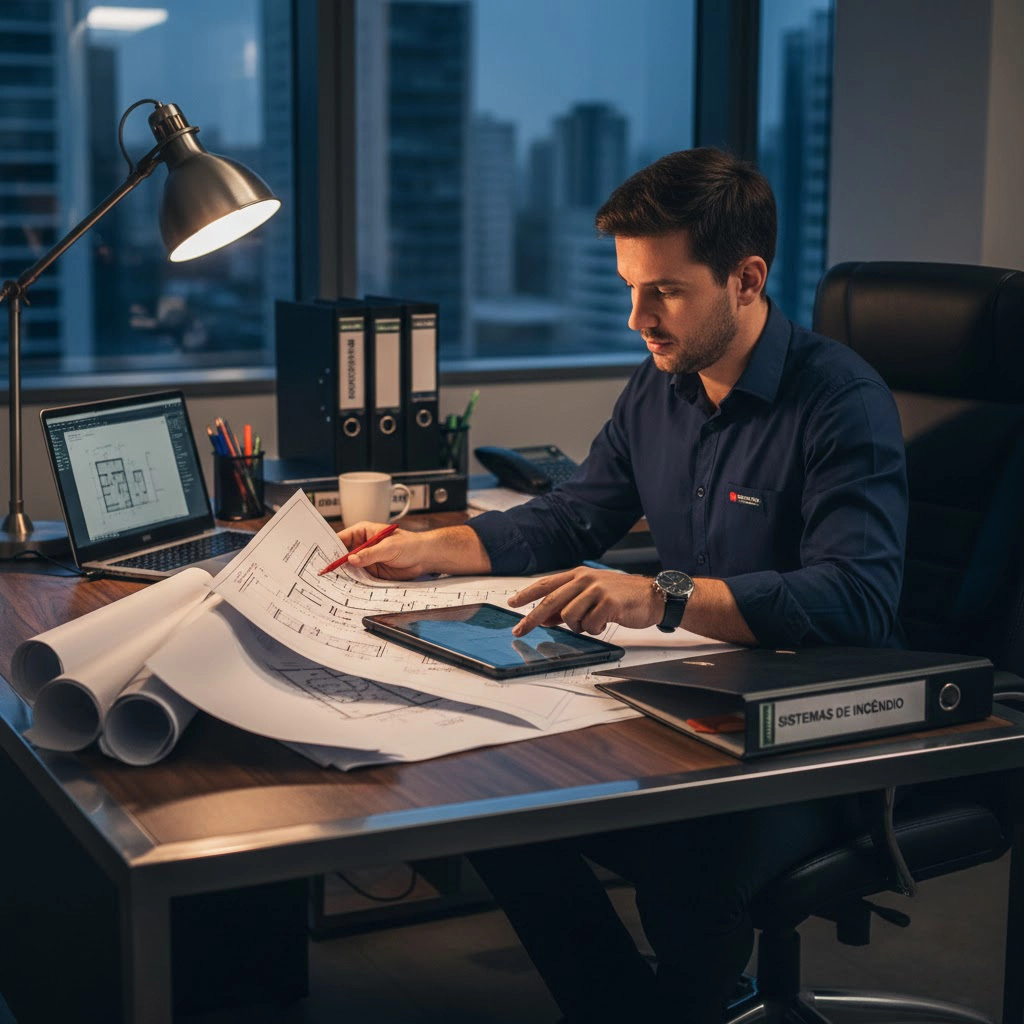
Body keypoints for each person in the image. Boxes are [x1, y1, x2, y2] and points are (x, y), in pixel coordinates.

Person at [338, 148, 908, 1024]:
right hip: (695, 706)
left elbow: (856, 600)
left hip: (821, 733)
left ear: (746, 279)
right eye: (629, 287)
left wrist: (665, 595)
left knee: (692, 875)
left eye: (665, 291)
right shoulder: (661, 385)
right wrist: (429, 548)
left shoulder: (841, 402)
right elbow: (573, 514)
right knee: (496, 812)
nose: (637, 317)